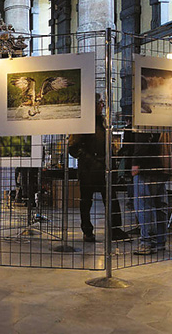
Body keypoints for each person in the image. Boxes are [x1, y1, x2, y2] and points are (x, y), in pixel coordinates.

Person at [68, 94, 128, 242]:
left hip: (105, 169)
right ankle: (87, 231)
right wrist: (89, 158)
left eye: (102, 102)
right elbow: (73, 147)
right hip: (89, 170)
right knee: (86, 201)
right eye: (100, 103)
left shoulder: (103, 122)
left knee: (111, 199)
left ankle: (115, 230)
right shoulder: (82, 123)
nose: (102, 105)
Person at [132, 131, 172, 255]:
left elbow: (142, 142)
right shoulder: (165, 120)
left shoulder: (145, 119)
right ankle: (160, 242)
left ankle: (146, 243)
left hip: (147, 167)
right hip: (164, 166)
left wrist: (135, 163)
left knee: (143, 205)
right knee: (160, 206)